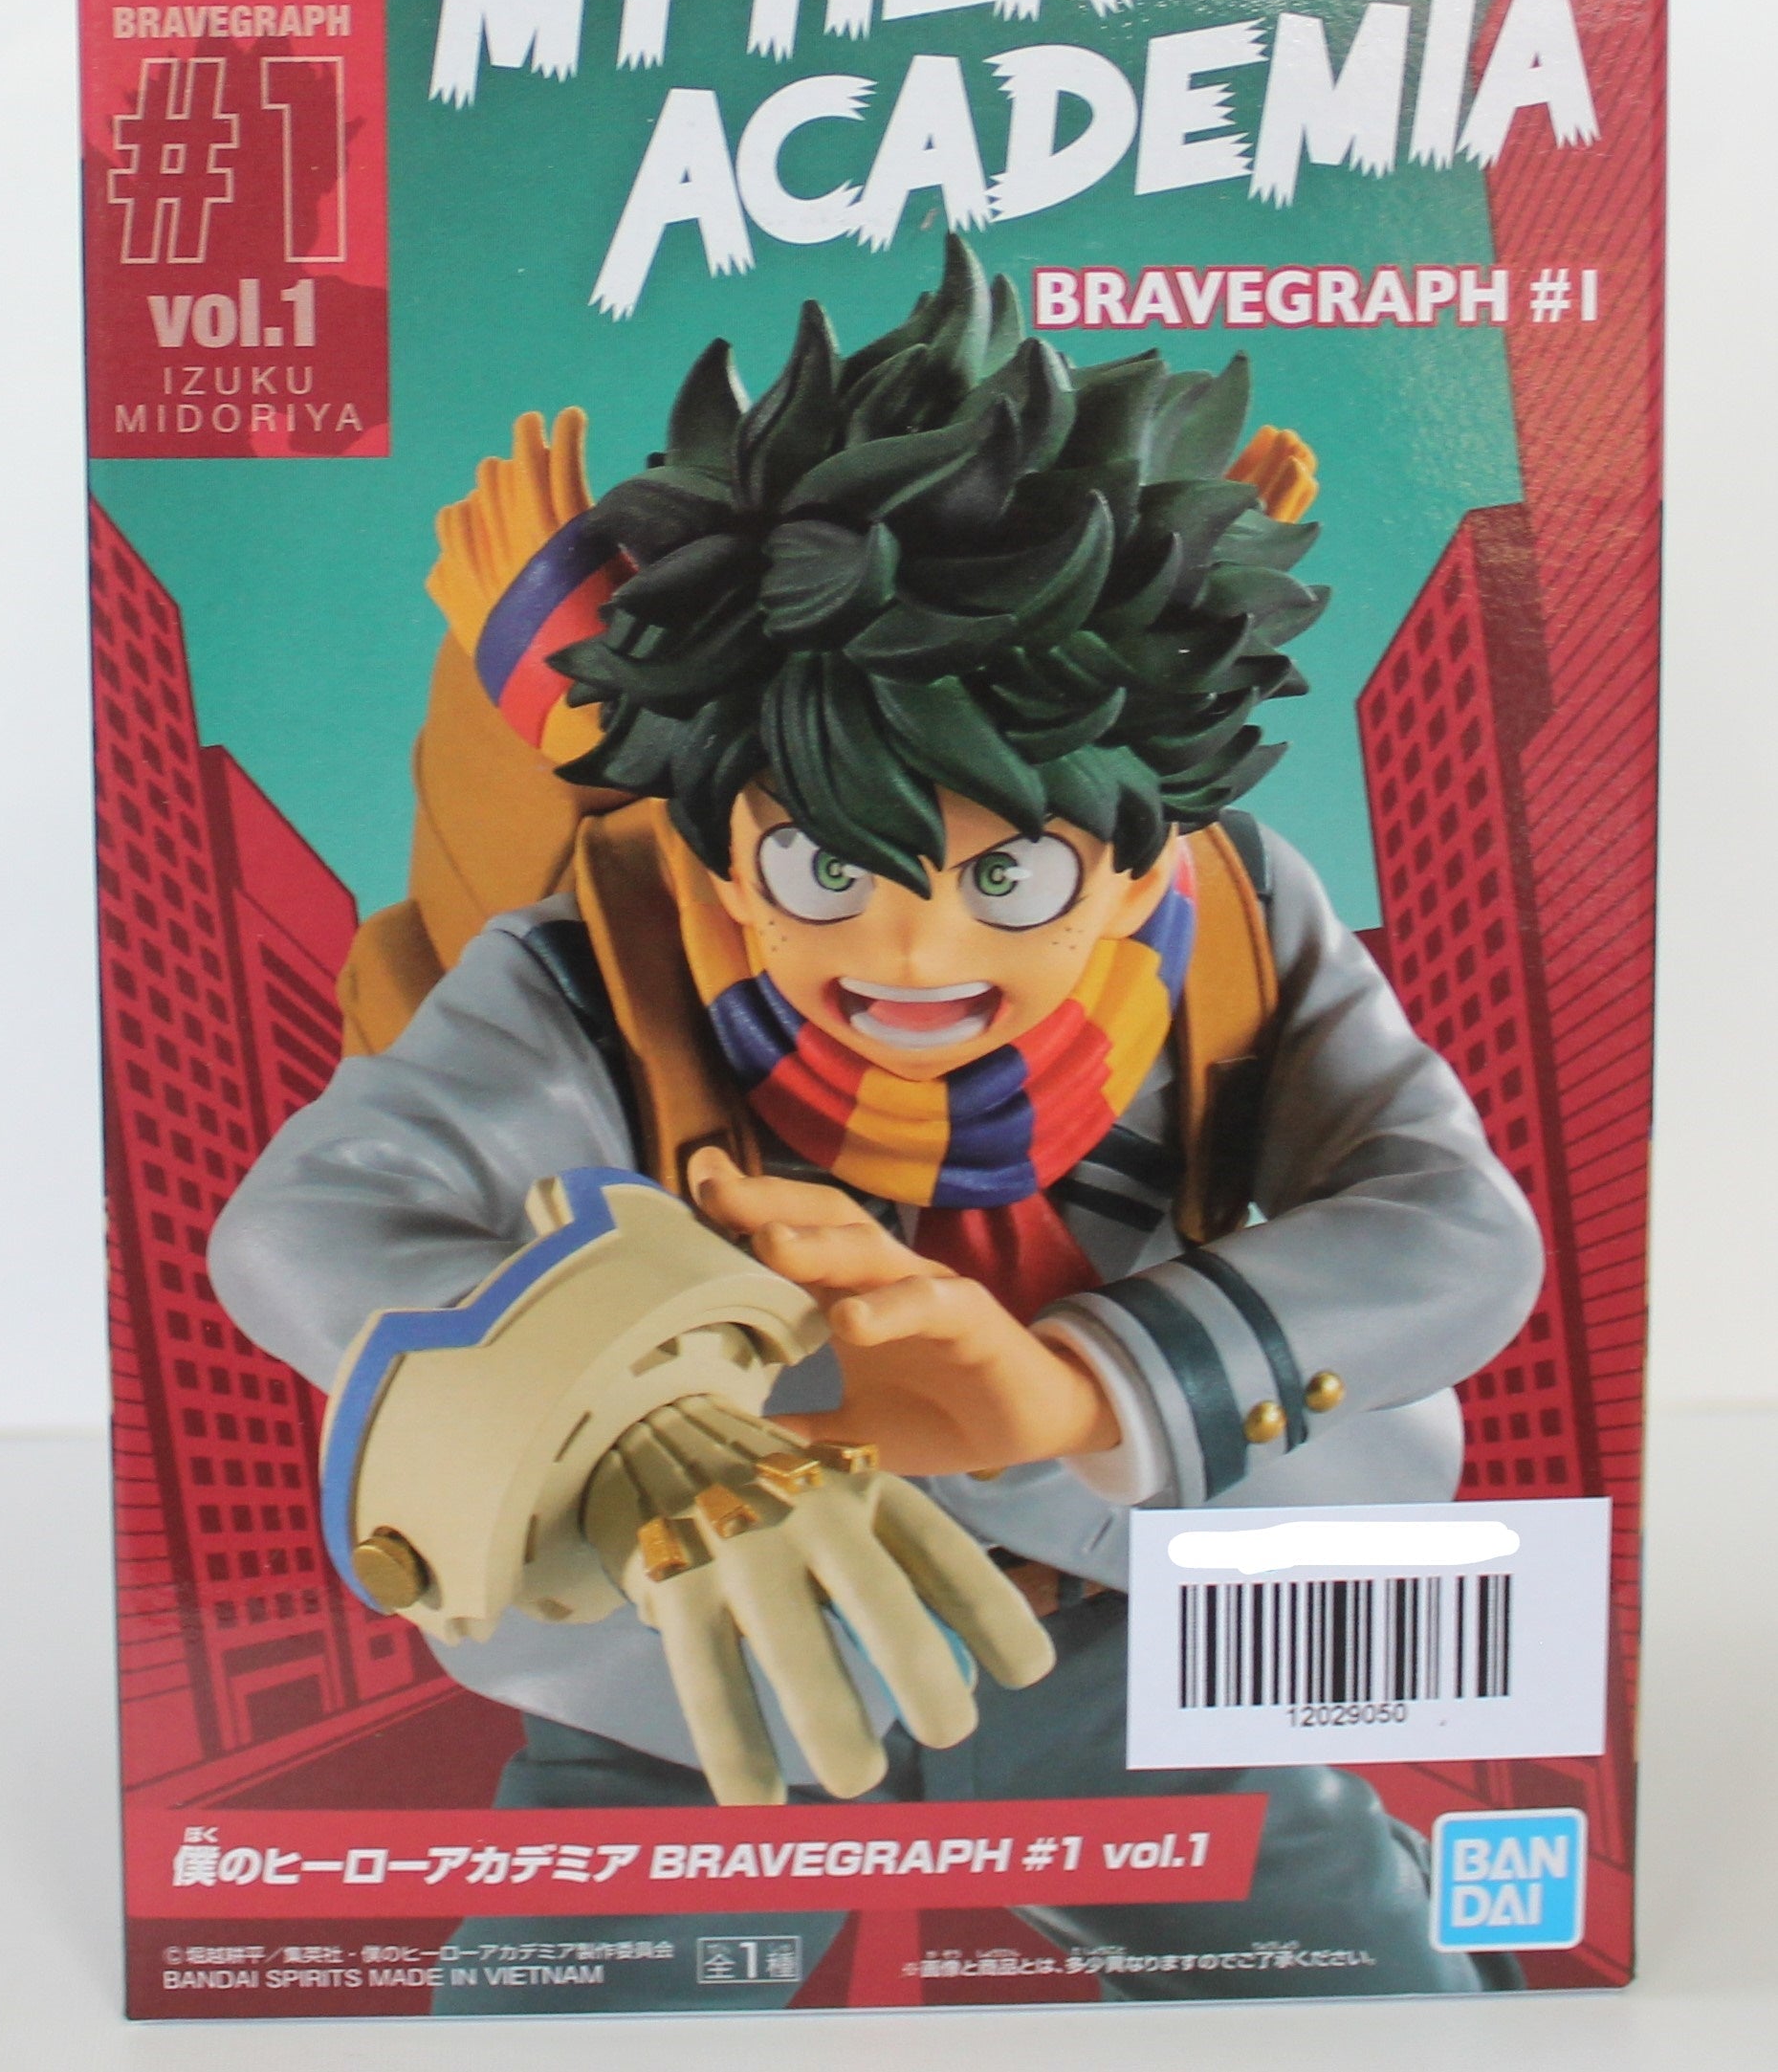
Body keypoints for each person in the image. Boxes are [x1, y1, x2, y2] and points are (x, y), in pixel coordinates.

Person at [210, 238, 1542, 2006]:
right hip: (709, 1674)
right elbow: (303, 1223)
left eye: (1012, 876)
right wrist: (644, 1427)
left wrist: (1072, 1388)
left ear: (1140, 846)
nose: (912, 958)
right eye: (823, 867)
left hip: (1121, 1662)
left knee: (1381, 2001)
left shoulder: (1236, 924)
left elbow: (1456, 1228)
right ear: (717, 839)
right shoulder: (601, 961)